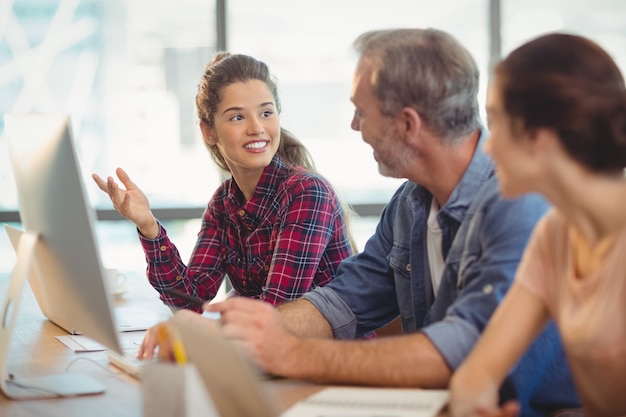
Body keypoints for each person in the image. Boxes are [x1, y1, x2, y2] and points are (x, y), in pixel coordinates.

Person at [143, 29, 580, 416]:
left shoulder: (519, 203)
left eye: (361, 112)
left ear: (408, 124)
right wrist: (224, 333)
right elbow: (342, 301)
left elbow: (460, 349)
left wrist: (288, 354)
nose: (354, 126)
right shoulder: (410, 203)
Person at [449, 33, 626, 417]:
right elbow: (476, 374)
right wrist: (474, 405)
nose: (489, 146)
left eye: (496, 122)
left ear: (539, 137)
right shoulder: (555, 235)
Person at [93, 53, 354, 310]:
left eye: (266, 113)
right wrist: (149, 226)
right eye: (237, 117)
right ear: (208, 131)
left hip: (328, 351)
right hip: (266, 348)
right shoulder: (223, 203)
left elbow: (275, 312)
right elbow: (190, 299)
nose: (256, 128)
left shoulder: (306, 192)